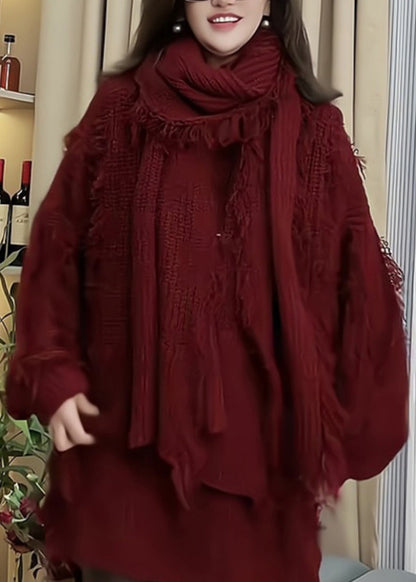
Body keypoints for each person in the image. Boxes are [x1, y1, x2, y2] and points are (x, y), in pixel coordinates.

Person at [5, 0, 409, 581]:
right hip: (123, 484)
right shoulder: (120, 108)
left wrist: (342, 433)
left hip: (260, 495)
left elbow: (361, 288)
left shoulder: (316, 127)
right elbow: (57, 248)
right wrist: (52, 371)